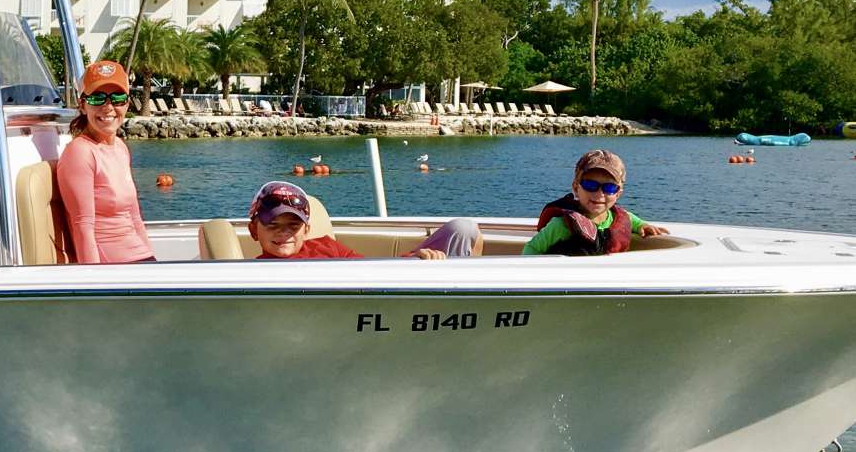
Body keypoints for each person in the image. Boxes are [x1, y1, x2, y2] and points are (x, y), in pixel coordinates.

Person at [57, 59, 154, 264]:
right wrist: (95, 285)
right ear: (83, 105)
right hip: (113, 268)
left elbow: (135, 218)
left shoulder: (120, 147)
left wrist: (154, 265)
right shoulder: (80, 153)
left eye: (117, 98)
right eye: (97, 98)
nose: (108, 107)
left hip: (140, 260)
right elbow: (83, 227)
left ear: (127, 103)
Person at [247, 180, 483, 260]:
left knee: (463, 228)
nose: (284, 233)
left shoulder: (327, 247)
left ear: (306, 229)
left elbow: (372, 269)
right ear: (254, 230)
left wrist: (415, 259)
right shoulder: (252, 274)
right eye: (273, 225)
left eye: (294, 225)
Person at [522, 148, 668, 256]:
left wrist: (643, 225)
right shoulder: (560, 226)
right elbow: (531, 249)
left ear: (618, 193)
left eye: (609, 188)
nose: (599, 194)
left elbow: (631, 219)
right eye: (590, 185)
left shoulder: (620, 218)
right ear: (575, 187)